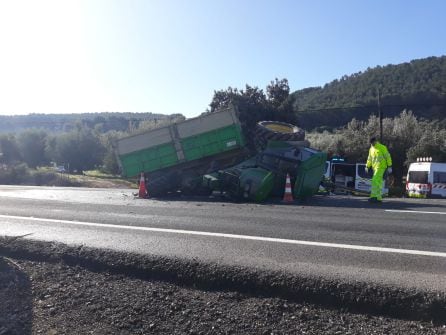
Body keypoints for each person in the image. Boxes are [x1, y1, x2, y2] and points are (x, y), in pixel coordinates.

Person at [365, 136, 392, 203]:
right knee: (378, 182)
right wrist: (367, 166)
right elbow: (369, 159)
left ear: (375, 141)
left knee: (374, 180)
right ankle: (378, 198)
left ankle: (373, 197)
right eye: (371, 143)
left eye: (372, 142)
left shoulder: (382, 147)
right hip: (375, 168)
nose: (372, 144)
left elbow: (387, 156)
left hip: (381, 167)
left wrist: (389, 166)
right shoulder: (371, 149)